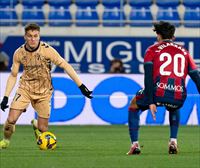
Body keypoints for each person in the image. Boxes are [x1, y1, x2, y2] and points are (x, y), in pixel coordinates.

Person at [0, 23, 93, 149]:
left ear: (39, 36)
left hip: (44, 91)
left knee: (43, 129)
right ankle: (6, 140)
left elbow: (65, 65)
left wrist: (81, 86)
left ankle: (36, 125)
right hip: (25, 88)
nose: (33, 39)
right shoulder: (19, 53)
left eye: (35, 36)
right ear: (25, 37)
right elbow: (13, 75)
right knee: (11, 119)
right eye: (30, 36)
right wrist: (6, 96)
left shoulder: (47, 50)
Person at [127, 21, 200, 155]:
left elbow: (148, 78)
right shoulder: (184, 51)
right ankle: (173, 141)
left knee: (133, 105)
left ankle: (135, 145)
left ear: (158, 35)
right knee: (174, 106)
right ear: (173, 36)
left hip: (157, 92)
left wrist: (150, 101)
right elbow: (196, 76)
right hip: (179, 95)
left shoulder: (152, 50)